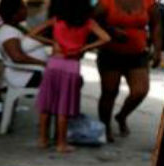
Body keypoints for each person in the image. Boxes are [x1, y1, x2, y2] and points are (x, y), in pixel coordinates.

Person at [29, 0, 110, 152]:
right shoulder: (88, 23)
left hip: (54, 63)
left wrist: (52, 42)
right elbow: (106, 38)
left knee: (46, 105)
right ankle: (61, 144)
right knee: (63, 107)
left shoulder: (56, 20)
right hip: (71, 66)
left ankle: (43, 140)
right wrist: (85, 47)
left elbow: (32, 33)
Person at [95, 0, 162, 142]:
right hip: (110, 53)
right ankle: (105, 126)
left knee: (140, 91)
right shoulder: (107, 2)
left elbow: (156, 25)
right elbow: (92, 20)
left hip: (137, 54)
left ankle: (121, 116)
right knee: (109, 92)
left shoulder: (148, 2)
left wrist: (157, 50)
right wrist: (110, 30)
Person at [0, 0, 49, 89]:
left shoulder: (17, 28)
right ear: (14, 13)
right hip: (26, 77)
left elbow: (33, 37)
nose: (26, 10)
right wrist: (44, 63)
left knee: (69, 74)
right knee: (67, 78)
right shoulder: (8, 31)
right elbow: (17, 57)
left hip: (32, 73)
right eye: (23, 7)